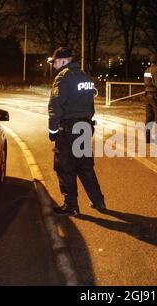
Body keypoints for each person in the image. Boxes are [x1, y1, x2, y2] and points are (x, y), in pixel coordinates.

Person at [48, 47, 106, 217]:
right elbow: (90, 105)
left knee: (65, 167)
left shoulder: (62, 77)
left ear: (65, 61)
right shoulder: (85, 76)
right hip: (85, 127)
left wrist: (52, 130)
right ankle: (98, 201)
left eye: (56, 62)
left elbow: (55, 106)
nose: (54, 65)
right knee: (85, 166)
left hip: (69, 129)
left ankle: (71, 205)